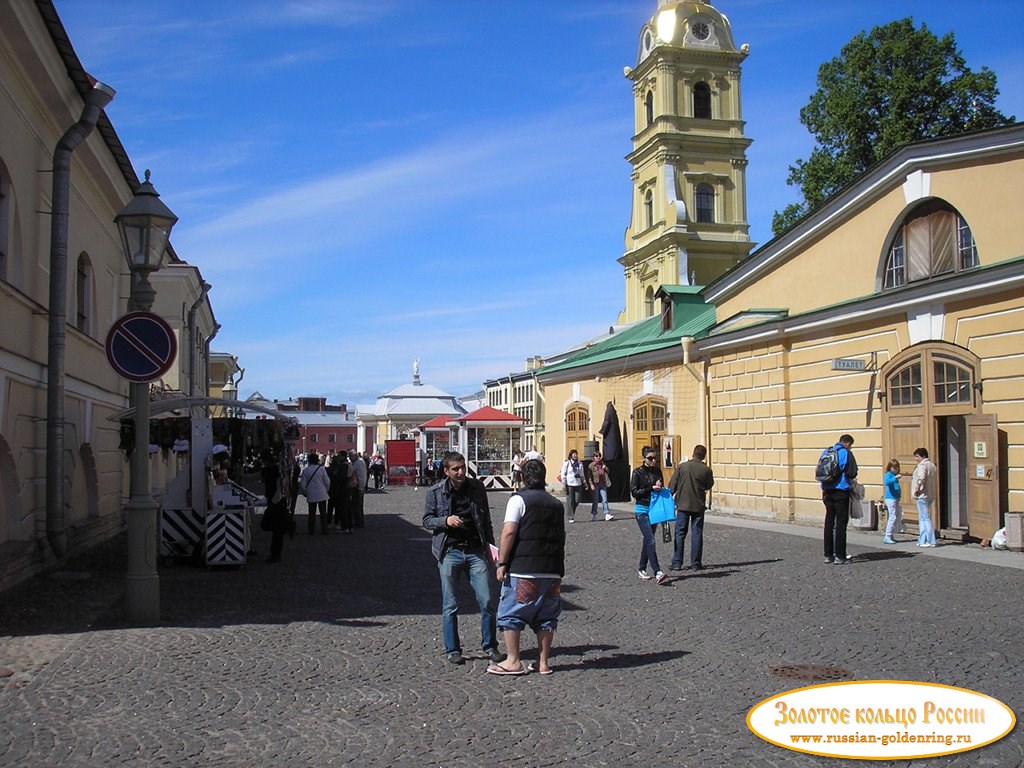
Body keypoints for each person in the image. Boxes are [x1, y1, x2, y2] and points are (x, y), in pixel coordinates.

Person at [422, 452, 503, 665]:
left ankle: (490, 646)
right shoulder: (436, 492)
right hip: (450, 552)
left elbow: (485, 520)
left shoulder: (476, 488)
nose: (461, 472)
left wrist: (491, 548)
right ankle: (453, 649)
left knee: (486, 601)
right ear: (446, 471)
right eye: (456, 469)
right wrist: (445, 520)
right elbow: (427, 520)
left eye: (463, 468)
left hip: (475, 551)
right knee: (450, 604)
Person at [489, 459, 565, 676]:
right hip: (551, 569)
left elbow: (509, 532)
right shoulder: (557, 504)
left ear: (521, 477)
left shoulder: (518, 500)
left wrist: (502, 562)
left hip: (524, 568)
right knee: (547, 617)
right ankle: (543, 663)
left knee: (511, 614)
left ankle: (513, 660)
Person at [667, 444, 715, 571]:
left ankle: (677, 562)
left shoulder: (682, 467)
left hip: (682, 504)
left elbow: (672, 485)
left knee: (680, 533)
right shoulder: (706, 470)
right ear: (704, 456)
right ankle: (696, 563)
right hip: (698, 505)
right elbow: (709, 485)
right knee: (697, 534)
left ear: (693, 453)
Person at [630, 446, 667, 584]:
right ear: (644, 458)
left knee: (647, 540)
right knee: (651, 539)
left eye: (655, 458)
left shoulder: (658, 472)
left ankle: (641, 568)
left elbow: (660, 488)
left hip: (654, 509)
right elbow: (634, 492)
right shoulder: (637, 473)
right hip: (641, 510)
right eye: (650, 458)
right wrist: (650, 488)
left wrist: (659, 486)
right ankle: (657, 571)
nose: (653, 461)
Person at [819, 434, 858, 565]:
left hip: (827, 490)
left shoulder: (827, 451)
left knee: (829, 522)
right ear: (847, 443)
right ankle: (840, 556)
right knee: (841, 524)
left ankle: (828, 554)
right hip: (841, 491)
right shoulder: (845, 453)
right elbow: (852, 472)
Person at [260, 449, 291, 562]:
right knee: (277, 530)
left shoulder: (268, 471)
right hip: (279, 501)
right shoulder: (280, 470)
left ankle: (275, 554)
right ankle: (276, 553)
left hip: (275, 501)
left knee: (273, 528)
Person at [299, 451, 331, 535]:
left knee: (311, 513)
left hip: (311, 494)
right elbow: (327, 482)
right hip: (322, 493)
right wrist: (326, 490)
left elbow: (303, 484)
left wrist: (305, 492)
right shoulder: (322, 469)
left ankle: (311, 530)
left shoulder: (306, 471)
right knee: (323, 513)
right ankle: (324, 530)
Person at [911, 448, 937, 547]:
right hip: (930, 494)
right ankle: (922, 539)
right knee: (923, 517)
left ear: (922, 456)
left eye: (917, 456)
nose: (915, 459)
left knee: (924, 518)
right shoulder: (932, 465)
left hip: (922, 495)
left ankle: (930, 540)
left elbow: (921, 477)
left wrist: (917, 488)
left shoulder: (922, 465)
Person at [559, 449, 588, 524]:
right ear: (571, 455)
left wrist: (585, 483)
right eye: (574, 454)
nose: (575, 455)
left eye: (576, 454)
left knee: (577, 500)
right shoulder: (567, 463)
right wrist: (563, 483)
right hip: (569, 483)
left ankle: (571, 512)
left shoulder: (579, 463)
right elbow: (563, 473)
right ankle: (570, 516)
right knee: (570, 500)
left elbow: (582, 474)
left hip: (578, 483)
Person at [327, 451, 352, 533]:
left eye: (339, 455)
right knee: (342, 508)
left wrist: (335, 475)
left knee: (341, 508)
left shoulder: (343, 466)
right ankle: (343, 525)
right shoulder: (346, 465)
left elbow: (342, 478)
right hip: (343, 490)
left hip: (340, 490)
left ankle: (344, 527)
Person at [586, 451, 614, 521]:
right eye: (596, 456)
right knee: (595, 500)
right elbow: (589, 476)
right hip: (595, 484)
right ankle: (594, 514)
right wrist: (591, 484)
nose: (598, 457)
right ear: (594, 457)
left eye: (599, 456)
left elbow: (608, 472)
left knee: (604, 500)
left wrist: (605, 468)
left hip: (603, 484)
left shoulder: (603, 464)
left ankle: (607, 514)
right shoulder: (591, 465)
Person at [882, 459, 903, 544]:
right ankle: (887, 535)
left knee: (895, 516)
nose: (896, 469)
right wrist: (895, 478)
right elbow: (887, 482)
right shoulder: (888, 474)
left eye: (897, 467)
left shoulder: (894, 475)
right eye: (894, 467)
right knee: (892, 516)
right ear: (890, 467)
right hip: (890, 498)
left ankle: (890, 535)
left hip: (895, 497)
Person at [349, 450, 367, 528]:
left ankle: (358, 523)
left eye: (350, 457)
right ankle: (358, 522)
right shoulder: (357, 462)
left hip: (357, 488)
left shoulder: (359, 463)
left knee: (357, 506)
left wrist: (361, 488)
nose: (349, 458)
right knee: (356, 506)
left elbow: (361, 477)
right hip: (356, 487)